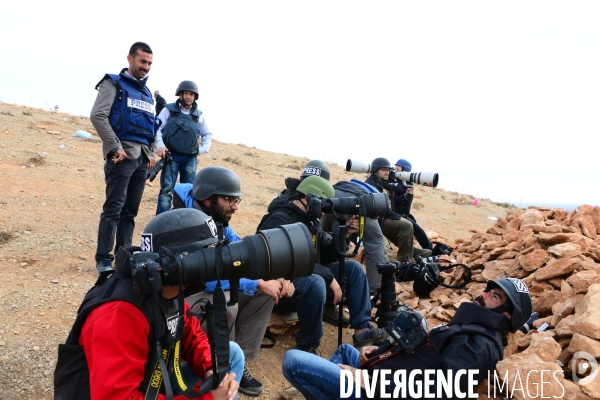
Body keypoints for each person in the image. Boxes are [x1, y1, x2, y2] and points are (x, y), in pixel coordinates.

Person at [54, 208, 243, 400]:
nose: (214, 263)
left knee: (231, 355)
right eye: (208, 254)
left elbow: (191, 334)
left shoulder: (165, 288)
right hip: (119, 393)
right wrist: (208, 398)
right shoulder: (120, 315)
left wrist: (212, 369)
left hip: (152, 380)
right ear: (182, 261)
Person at [282, 277, 533, 399]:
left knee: (293, 360)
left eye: (495, 297)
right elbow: (422, 355)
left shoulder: (479, 344)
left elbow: (443, 389)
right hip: (383, 374)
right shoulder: (472, 327)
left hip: (382, 391)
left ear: (507, 314)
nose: (484, 295)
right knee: (348, 350)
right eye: (489, 290)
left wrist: (371, 381)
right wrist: (380, 350)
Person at [173, 166, 292, 396]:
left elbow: (237, 247)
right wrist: (257, 283)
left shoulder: (215, 219)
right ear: (209, 199)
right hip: (187, 295)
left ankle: (239, 359)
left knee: (266, 293)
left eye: (237, 199)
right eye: (230, 200)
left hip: (207, 285)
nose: (236, 206)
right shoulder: (185, 223)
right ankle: (219, 361)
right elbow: (205, 280)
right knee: (227, 303)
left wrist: (273, 276)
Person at [257, 175, 390, 353]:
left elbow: (326, 255)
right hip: (280, 289)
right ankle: (307, 345)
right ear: (306, 198)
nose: (322, 211)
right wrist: (328, 277)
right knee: (316, 282)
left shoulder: (309, 220)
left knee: (353, 268)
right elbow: (290, 263)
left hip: (305, 280)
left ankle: (362, 331)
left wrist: (347, 233)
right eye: (321, 204)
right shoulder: (279, 220)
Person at [91, 42, 157, 275]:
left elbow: (152, 127)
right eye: (142, 62)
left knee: (130, 212)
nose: (146, 67)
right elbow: (98, 115)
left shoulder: (148, 93)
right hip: (121, 157)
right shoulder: (113, 84)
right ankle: (103, 259)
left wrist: (151, 153)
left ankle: (124, 257)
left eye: (149, 63)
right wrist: (115, 146)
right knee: (113, 209)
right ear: (130, 59)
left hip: (141, 160)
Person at [155, 80, 213, 215]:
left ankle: (185, 221)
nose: (188, 97)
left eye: (191, 94)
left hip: (190, 158)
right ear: (179, 95)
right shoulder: (168, 110)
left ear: (195, 97)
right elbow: (156, 128)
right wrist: (160, 145)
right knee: (166, 191)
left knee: (190, 191)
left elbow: (207, 134)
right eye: (185, 93)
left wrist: (202, 149)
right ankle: (161, 221)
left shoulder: (198, 115)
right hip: (171, 157)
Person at [364, 157, 432, 264]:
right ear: (376, 170)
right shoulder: (373, 184)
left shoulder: (383, 182)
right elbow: (382, 207)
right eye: (384, 170)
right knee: (407, 225)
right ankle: (404, 262)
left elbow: (394, 202)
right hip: (376, 220)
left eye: (389, 170)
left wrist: (407, 196)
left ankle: (425, 253)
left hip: (383, 218)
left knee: (407, 232)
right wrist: (398, 217)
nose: (388, 172)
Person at [391, 158, 432, 250]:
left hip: (402, 212)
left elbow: (406, 205)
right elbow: (391, 201)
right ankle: (429, 250)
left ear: (404, 170)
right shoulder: (395, 183)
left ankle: (428, 249)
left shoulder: (406, 184)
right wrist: (405, 196)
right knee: (417, 230)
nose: (394, 170)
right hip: (395, 212)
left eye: (397, 169)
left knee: (417, 229)